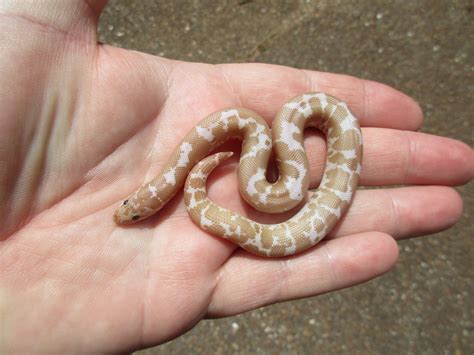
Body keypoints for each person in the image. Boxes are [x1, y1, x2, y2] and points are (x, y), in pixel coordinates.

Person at [0, 1, 472, 352]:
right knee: (272, 191)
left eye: (139, 205)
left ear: (156, 198)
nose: (136, 210)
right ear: (154, 199)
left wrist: (203, 180)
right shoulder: (226, 158)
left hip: (289, 153)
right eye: (140, 206)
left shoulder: (262, 159)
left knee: (276, 191)